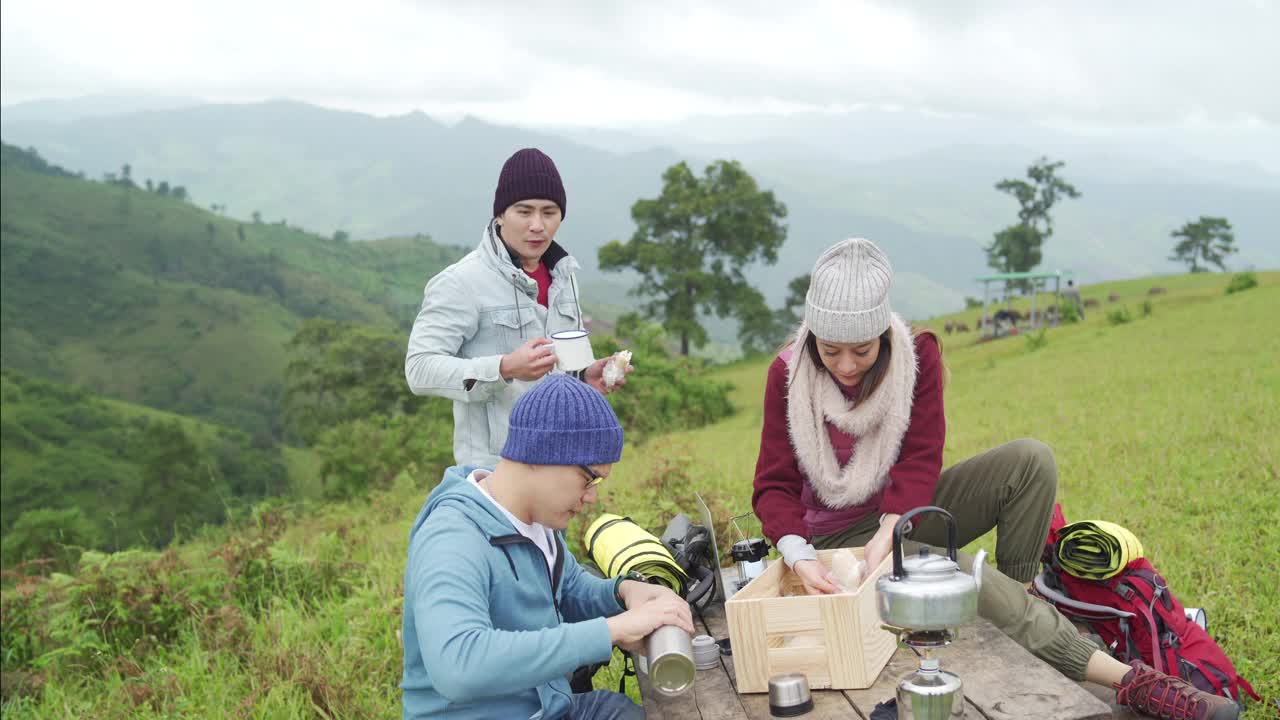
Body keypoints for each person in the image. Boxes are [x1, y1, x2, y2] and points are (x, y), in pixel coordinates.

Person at [750, 238, 1239, 720]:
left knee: (1031, 461)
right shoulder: (787, 375)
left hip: (904, 509)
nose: (847, 366)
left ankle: (1023, 608)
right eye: (830, 350)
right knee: (964, 575)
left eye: (861, 350)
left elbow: (920, 458)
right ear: (812, 335)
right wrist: (799, 556)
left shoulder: (916, 357)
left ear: (882, 332)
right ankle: (1133, 683)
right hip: (843, 539)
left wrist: (894, 524)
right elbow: (773, 484)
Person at [401, 374, 693, 719]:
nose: (592, 496)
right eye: (588, 478)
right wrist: (611, 631)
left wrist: (622, 593)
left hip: (551, 707)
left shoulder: (537, 518)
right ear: (541, 453)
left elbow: (568, 588)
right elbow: (459, 666)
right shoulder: (453, 539)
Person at [405, 148, 628, 468]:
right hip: (496, 470)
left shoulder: (564, 276)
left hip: (561, 461)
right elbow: (419, 370)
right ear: (500, 214)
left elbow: (558, 367)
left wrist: (585, 376)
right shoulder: (461, 282)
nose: (538, 225)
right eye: (524, 211)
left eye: (549, 212)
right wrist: (505, 368)